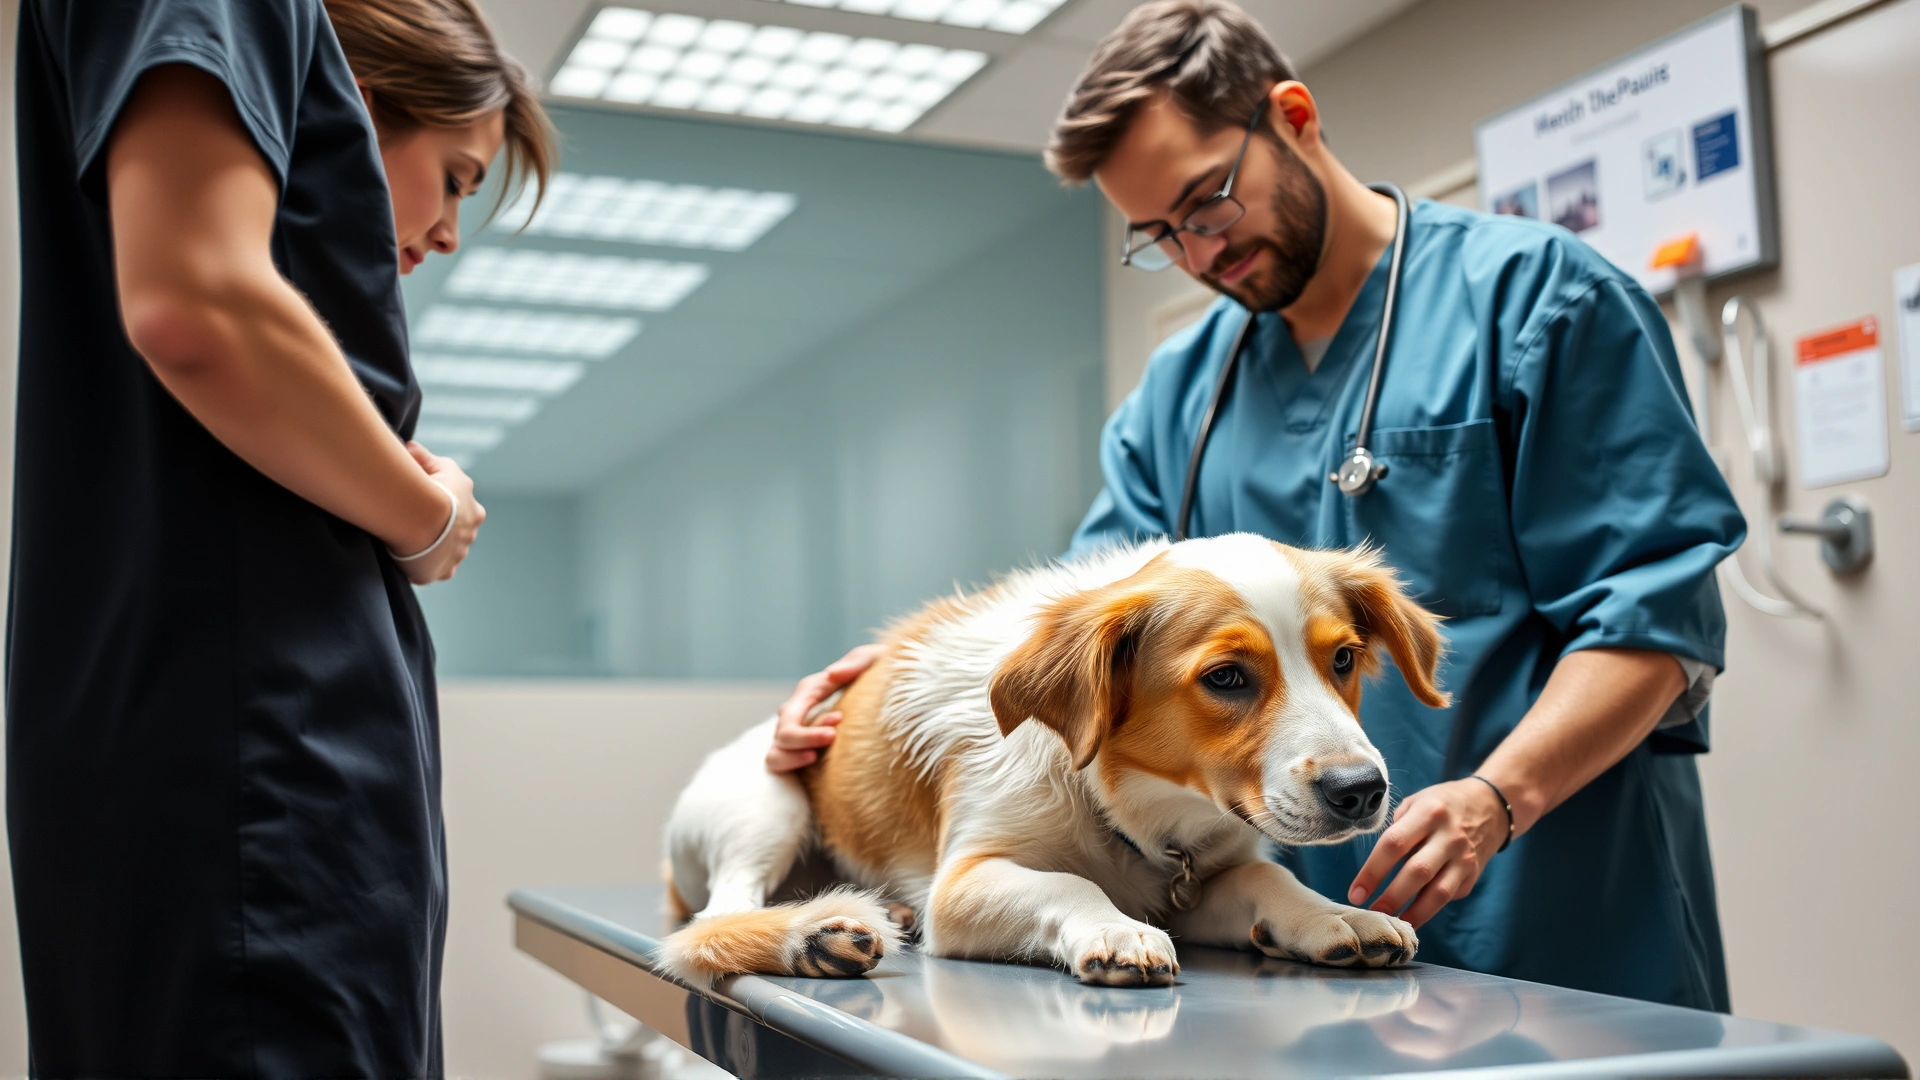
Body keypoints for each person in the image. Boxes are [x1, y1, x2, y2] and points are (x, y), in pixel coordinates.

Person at [768, 0, 1745, 1012]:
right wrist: (865, 696)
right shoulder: (1180, 394)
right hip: (1282, 949)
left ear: (1293, 116)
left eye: (1207, 204)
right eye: (1157, 236)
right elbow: (1091, 644)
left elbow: (1652, 619)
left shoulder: (1541, 302)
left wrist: (1497, 801)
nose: (1197, 257)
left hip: (1550, 904)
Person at [8, 0, 553, 1074]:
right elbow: (196, 304)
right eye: (457, 176)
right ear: (364, 90)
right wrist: (425, 515)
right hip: (263, 809)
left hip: (230, 801)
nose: (448, 232)